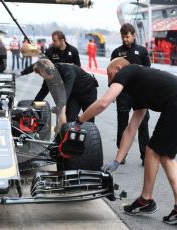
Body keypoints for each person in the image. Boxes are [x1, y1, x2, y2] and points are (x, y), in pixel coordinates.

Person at [75, 57, 177, 225]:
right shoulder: (139, 88)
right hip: (173, 103)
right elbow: (131, 128)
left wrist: (79, 121)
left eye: (110, 76)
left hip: (175, 102)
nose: (109, 82)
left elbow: (103, 102)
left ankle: (146, 199)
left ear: (119, 68)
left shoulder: (127, 71)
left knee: (152, 150)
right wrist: (117, 160)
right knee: (165, 156)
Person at [111, 23, 151, 165]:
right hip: (124, 92)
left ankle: (145, 156)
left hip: (140, 93)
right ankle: (121, 154)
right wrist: (112, 93)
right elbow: (112, 74)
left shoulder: (142, 51)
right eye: (123, 37)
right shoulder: (116, 52)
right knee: (122, 122)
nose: (125, 39)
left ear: (134, 35)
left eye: (127, 37)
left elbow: (149, 73)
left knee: (143, 124)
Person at [21, 58, 98, 123]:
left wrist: (59, 107)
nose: (44, 78)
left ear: (50, 70)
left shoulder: (67, 71)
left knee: (89, 121)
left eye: (43, 75)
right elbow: (42, 92)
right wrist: (32, 107)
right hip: (74, 95)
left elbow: (66, 93)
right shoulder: (48, 77)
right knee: (70, 120)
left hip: (88, 91)